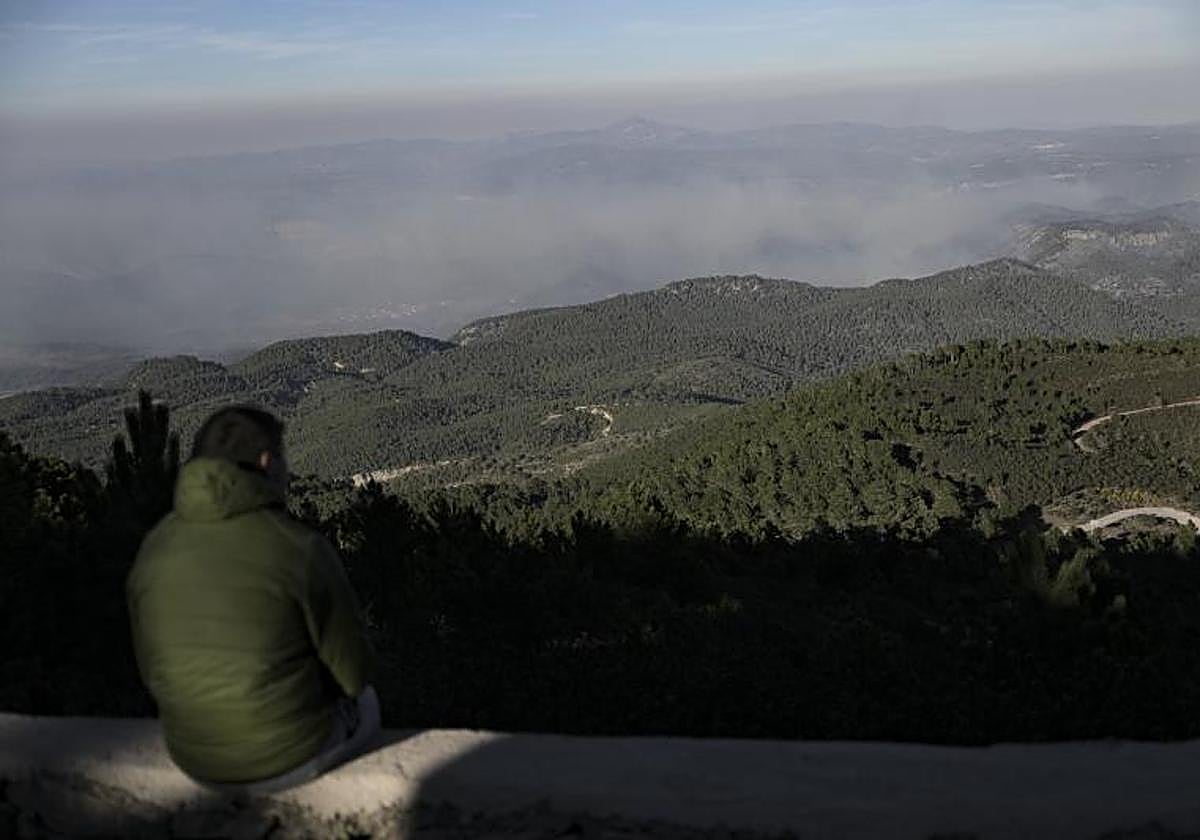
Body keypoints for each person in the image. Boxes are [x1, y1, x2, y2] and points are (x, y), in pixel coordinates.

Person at [126, 405, 381, 795]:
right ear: (266, 462)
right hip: (288, 757)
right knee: (367, 702)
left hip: (194, 759)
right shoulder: (299, 547)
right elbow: (354, 674)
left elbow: (152, 670)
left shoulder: (154, 547)